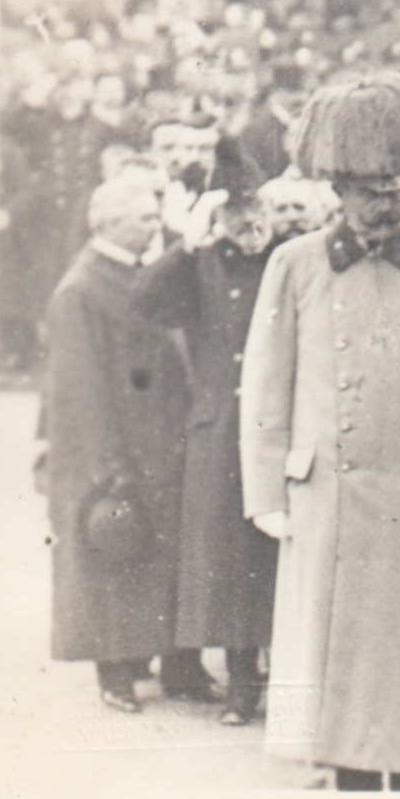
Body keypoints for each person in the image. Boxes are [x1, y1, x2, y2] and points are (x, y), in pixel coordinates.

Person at [239, 71, 400, 791]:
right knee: (335, 678)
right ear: (337, 190)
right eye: (366, 189)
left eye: (392, 185)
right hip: (328, 499)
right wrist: (267, 491)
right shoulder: (294, 265)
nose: (382, 201)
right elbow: (266, 386)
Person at [43, 175, 192, 713]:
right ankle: (115, 675)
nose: (154, 227)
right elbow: (78, 390)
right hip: (110, 452)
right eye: (143, 220)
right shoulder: (81, 288)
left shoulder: (130, 274)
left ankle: (159, 663)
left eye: (155, 218)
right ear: (105, 223)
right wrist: (108, 464)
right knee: (111, 555)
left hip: (153, 441)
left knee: (153, 554)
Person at [132, 189, 281, 725]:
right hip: (218, 430)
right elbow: (145, 297)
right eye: (239, 221)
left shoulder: (286, 259)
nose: (252, 229)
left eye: (258, 218)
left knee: (272, 557)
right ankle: (244, 685)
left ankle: (282, 679)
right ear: (219, 224)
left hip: (275, 424)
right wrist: (186, 246)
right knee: (231, 559)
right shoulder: (202, 265)